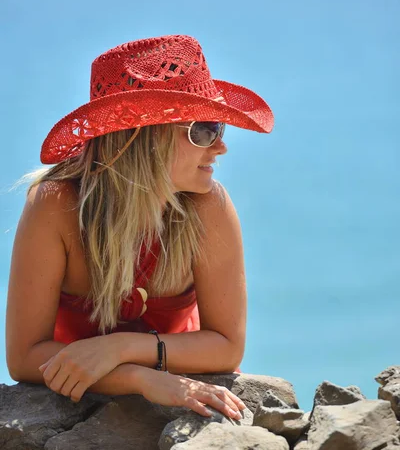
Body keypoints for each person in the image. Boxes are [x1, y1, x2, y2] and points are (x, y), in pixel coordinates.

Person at [6, 34, 274, 420]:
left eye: (218, 128)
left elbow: (228, 347)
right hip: (98, 396)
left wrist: (121, 349)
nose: (220, 147)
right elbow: (24, 357)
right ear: (145, 136)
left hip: (189, 394)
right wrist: (139, 379)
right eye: (204, 129)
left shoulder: (208, 206)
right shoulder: (55, 206)